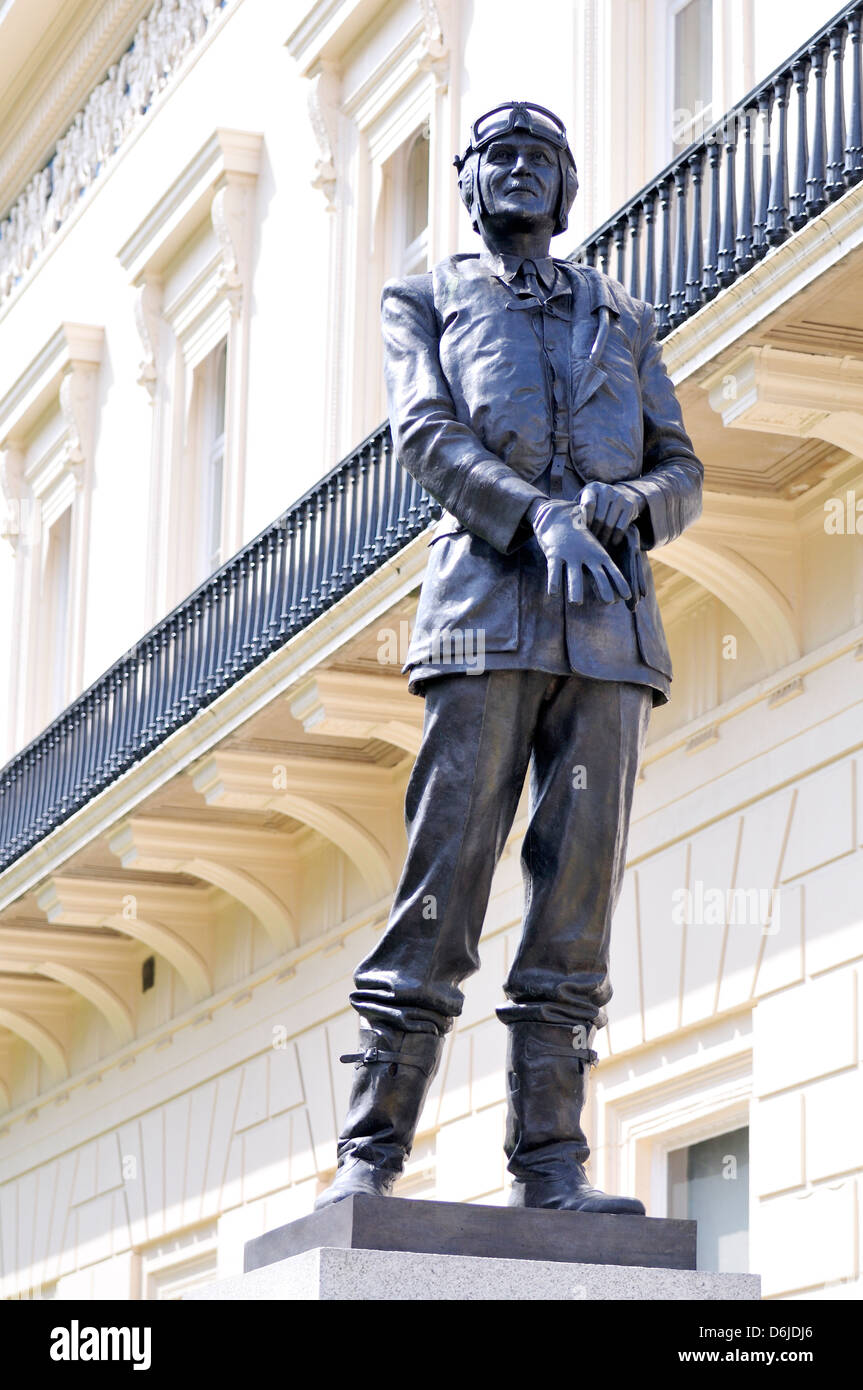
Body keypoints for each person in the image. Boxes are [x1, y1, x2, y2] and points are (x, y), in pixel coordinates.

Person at [316, 102, 702, 1214]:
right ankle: (371, 1152)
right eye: (500, 156)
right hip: (485, 614)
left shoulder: (619, 315)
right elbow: (426, 436)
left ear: (566, 188)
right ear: (469, 181)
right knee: (441, 883)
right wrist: (537, 519)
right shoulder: (426, 297)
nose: (521, 170)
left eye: (542, 157)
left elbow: (679, 465)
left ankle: (549, 1164)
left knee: (575, 896)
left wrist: (626, 504)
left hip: (608, 636)